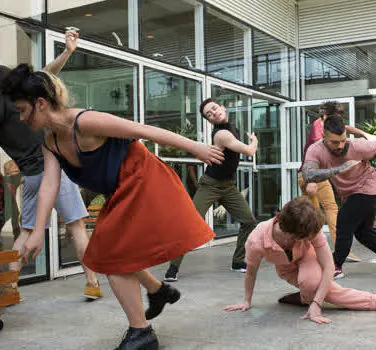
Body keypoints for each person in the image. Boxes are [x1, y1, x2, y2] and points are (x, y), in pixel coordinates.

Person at [0, 63, 223, 349]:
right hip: (120, 190)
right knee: (109, 252)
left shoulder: (85, 122)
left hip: (143, 180)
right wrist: (34, 233)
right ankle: (157, 291)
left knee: (111, 256)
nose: (20, 118)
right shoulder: (50, 141)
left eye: (22, 110)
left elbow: (145, 130)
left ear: (40, 104)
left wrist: (197, 147)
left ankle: (141, 332)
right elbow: (49, 185)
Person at [0, 30, 102, 299]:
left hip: (31, 177)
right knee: (77, 226)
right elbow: (45, 75)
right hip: (52, 169)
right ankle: (92, 283)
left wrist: (67, 53)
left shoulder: (9, 108)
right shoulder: (22, 103)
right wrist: (67, 52)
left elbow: (44, 75)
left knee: (27, 232)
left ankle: (10, 287)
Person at [223, 197, 376, 323]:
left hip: (307, 259)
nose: (314, 237)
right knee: (312, 285)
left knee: (317, 284)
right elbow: (251, 271)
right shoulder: (256, 241)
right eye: (307, 237)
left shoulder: (308, 226)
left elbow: (329, 266)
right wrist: (247, 301)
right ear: (291, 234)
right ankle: (305, 297)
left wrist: (317, 304)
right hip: (286, 269)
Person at [302, 115, 376, 279]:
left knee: (343, 221)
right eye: (334, 142)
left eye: (342, 140)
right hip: (352, 193)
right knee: (364, 234)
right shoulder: (315, 150)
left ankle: (335, 265)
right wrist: (339, 169)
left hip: (369, 187)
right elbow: (308, 174)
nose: (340, 146)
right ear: (324, 136)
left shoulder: (358, 146)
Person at [164, 98, 258, 282]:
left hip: (228, 186)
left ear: (222, 107)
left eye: (214, 108)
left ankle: (238, 261)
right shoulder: (222, 134)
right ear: (210, 121)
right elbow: (249, 151)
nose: (214, 113)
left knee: (248, 221)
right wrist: (254, 141)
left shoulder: (231, 128)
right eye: (209, 114)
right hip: (210, 185)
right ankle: (173, 268)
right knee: (190, 224)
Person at [298, 101, 376, 261]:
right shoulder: (320, 130)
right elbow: (316, 159)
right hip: (314, 175)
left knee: (313, 215)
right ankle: (339, 253)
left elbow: (348, 128)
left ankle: (322, 252)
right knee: (329, 210)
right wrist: (313, 181)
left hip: (314, 174)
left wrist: (366, 135)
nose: (337, 123)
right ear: (324, 119)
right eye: (333, 119)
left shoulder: (327, 125)